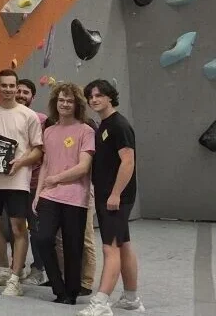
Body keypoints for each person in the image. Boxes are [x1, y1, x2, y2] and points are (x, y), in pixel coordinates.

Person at [78, 80, 143, 316]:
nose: (94, 100)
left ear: (110, 97)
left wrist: (116, 194)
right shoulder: (104, 125)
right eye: (91, 96)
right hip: (107, 195)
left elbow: (128, 162)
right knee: (123, 244)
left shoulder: (119, 125)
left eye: (99, 95)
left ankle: (102, 302)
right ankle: (131, 298)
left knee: (110, 247)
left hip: (116, 198)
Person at [0, 69, 43, 297]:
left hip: (17, 181)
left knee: (18, 228)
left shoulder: (28, 116)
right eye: (3, 85)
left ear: (17, 87)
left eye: (11, 85)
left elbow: (38, 150)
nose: (8, 89)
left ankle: (16, 278)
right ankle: (5, 270)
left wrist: (20, 162)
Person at [32, 82, 95, 305]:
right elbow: (45, 165)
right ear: (55, 103)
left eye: (69, 100)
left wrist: (57, 179)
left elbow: (83, 167)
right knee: (42, 239)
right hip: (49, 195)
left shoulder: (86, 131)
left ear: (77, 104)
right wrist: (38, 194)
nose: (65, 104)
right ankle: (58, 287)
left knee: (73, 246)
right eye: (61, 100)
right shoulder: (49, 131)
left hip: (75, 197)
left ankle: (72, 292)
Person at [15, 77, 49, 285]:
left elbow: (46, 151)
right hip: (12, 183)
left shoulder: (42, 120)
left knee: (35, 229)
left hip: (35, 183)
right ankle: (16, 268)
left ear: (32, 97)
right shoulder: (6, 116)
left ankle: (38, 269)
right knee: (15, 227)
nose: (21, 95)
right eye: (18, 91)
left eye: (25, 92)